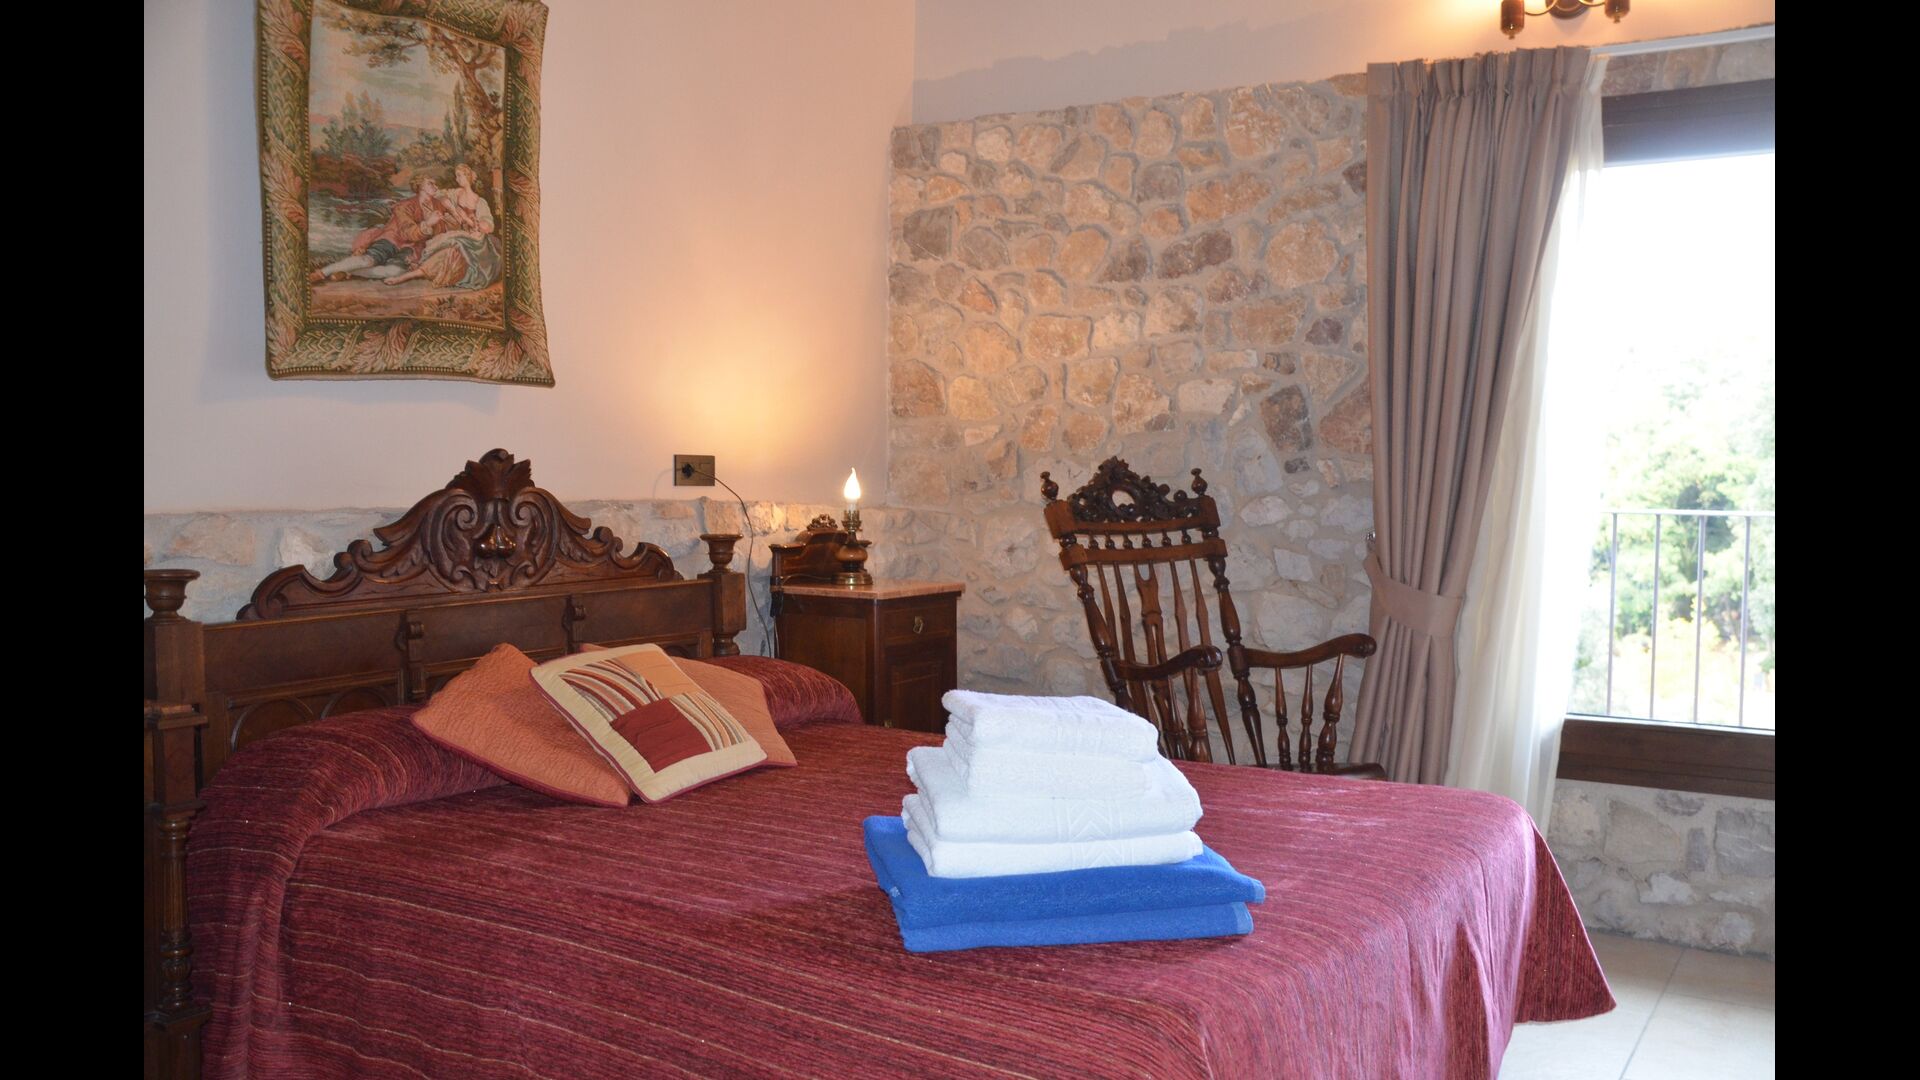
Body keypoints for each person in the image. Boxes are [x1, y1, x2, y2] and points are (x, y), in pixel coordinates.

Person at [382, 163, 502, 290]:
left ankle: (406, 276)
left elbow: (488, 227)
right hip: (458, 237)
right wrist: (454, 211)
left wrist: (468, 220)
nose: (457, 179)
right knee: (449, 251)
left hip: (476, 242)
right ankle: (408, 275)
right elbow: (438, 195)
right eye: (456, 176)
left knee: (451, 254)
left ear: (467, 176)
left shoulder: (480, 201)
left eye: (459, 176)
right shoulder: (455, 194)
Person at [310, 176, 445, 283]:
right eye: (431, 183)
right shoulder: (404, 205)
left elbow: (440, 232)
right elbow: (407, 232)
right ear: (420, 186)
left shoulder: (438, 205)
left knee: (395, 271)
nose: (435, 187)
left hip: (413, 247)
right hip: (393, 238)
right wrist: (428, 223)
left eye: (435, 184)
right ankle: (322, 273)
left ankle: (349, 271)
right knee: (368, 260)